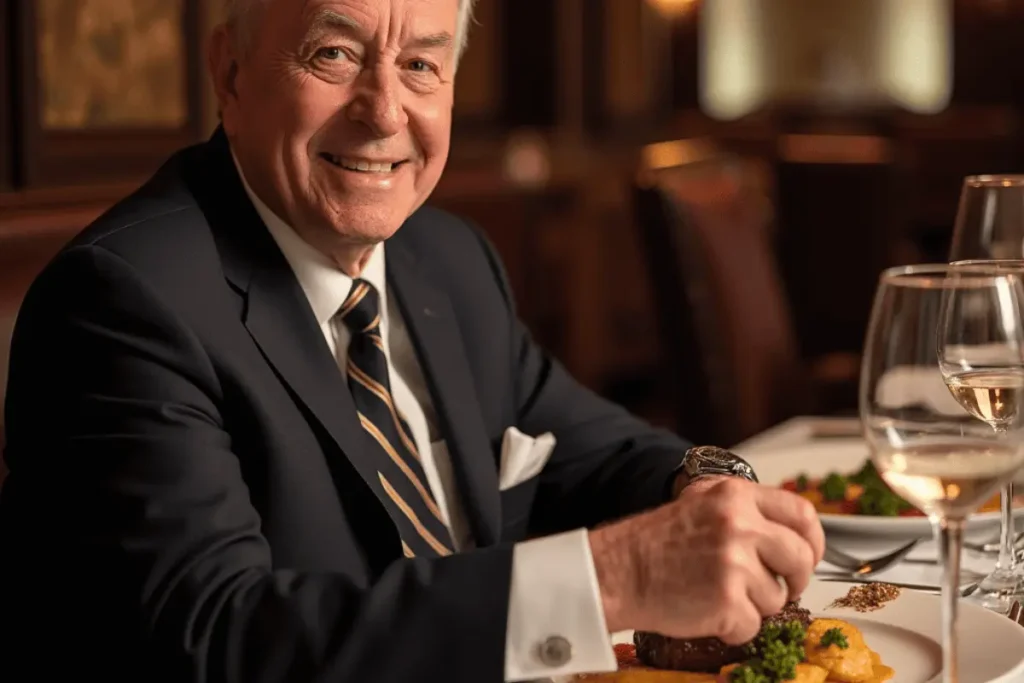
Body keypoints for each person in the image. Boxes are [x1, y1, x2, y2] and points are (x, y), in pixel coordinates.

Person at [0, 1, 825, 681]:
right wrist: (622, 578)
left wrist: (714, 488)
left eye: (422, 64)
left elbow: (592, 447)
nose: (385, 111)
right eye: (334, 54)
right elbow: (219, 640)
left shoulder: (447, 259)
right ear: (231, 71)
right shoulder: (126, 301)